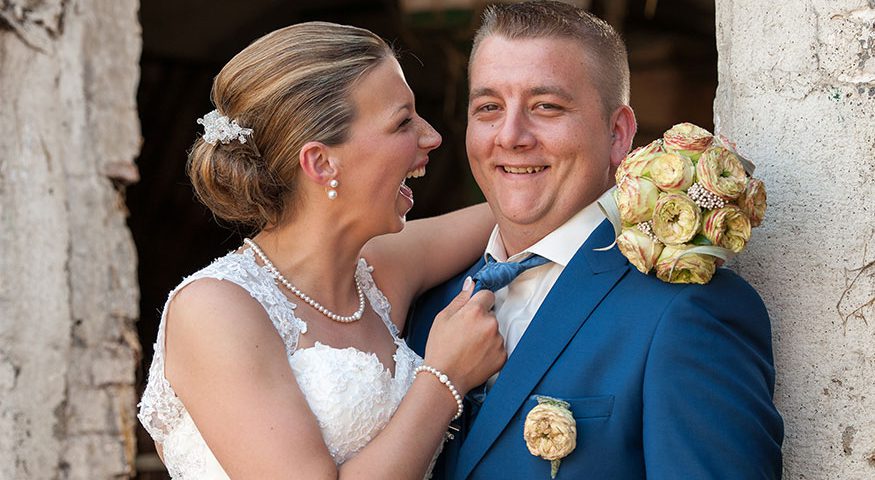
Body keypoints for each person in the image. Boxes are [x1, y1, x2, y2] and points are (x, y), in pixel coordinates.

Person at [406, 2, 784, 478]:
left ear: (618, 133)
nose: (511, 135)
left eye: (546, 106)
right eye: (489, 108)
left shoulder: (687, 313)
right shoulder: (426, 306)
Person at [137, 21, 507, 479]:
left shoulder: (380, 270)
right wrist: (445, 379)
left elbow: (521, 211)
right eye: (403, 122)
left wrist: (615, 175)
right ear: (320, 161)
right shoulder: (215, 310)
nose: (431, 137)